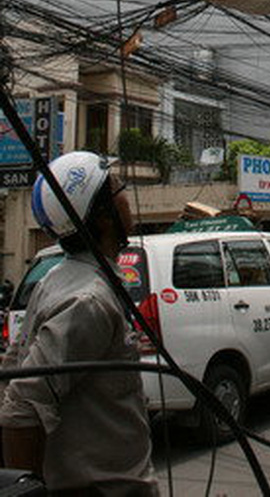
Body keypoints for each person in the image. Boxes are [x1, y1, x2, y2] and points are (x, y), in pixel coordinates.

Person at [0, 152, 158, 495]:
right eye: (119, 191)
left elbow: (14, 367)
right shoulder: (89, 301)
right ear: (103, 218)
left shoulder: (57, 279)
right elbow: (21, 407)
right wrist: (25, 489)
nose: (128, 199)